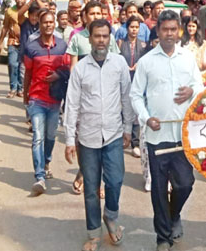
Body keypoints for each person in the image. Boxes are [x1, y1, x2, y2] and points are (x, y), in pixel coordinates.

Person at [130, 10, 204, 251]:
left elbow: (199, 85)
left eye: (174, 29)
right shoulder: (147, 61)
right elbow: (135, 94)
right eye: (165, 30)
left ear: (179, 31)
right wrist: (146, 117)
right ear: (158, 31)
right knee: (159, 189)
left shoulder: (187, 58)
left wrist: (193, 92)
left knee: (185, 184)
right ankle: (162, 237)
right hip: (156, 137)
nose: (170, 34)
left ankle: (173, 216)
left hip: (183, 137)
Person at [64, 19, 132, 251]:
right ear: (90, 38)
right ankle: (94, 234)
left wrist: (128, 129)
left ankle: (110, 216)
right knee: (91, 189)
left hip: (113, 134)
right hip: (88, 138)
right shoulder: (81, 68)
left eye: (105, 36)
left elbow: (126, 97)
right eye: (97, 36)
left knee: (115, 181)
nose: (101, 40)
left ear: (110, 38)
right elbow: (71, 105)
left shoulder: (120, 63)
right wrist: (69, 140)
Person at [23, 10, 69, 195]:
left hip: (55, 100)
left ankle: (47, 160)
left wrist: (58, 74)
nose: (48, 25)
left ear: (54, 24)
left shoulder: (63, 46)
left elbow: (68, 69)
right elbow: (27, 72)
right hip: (37, 99)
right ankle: (40, 176)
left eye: (51, 22)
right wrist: (25, 94)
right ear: (40, 25)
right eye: (45, 22)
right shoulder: (31, 47)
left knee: (50, 137)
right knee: (38, 138)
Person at [119, 15, 147, 159]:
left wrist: (138, 66)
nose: (134, 30)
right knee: (122, 109)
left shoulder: (143, 45)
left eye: (137, 27)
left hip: (137, 80)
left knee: (136, 110)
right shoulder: (120, 43)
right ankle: (121, 138)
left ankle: (135, 143)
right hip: (123, 80)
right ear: (127, 28)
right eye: (132, 27)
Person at [67, 0, 120, 69]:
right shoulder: (77, 38)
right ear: (85, 16)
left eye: (98, 13)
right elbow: (73, 66)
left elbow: (116, 62)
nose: (95, 17)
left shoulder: (110, 37)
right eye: (92, 14)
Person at [0, 0, 26, 98]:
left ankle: (20, 89)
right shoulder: (10, 11)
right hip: (12, 42)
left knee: (22, 68)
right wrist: (0, 43)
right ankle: (13, 88)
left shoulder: (28, 11)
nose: (19, 0)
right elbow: (5, 27)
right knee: (13, 64)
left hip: (25, 44)